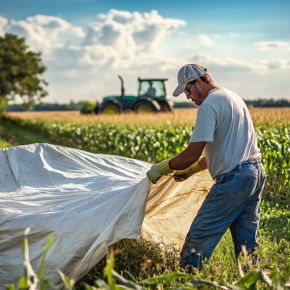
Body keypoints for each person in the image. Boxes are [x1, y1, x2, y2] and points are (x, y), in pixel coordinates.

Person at [146, 64, 266, 271]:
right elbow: (224, 150)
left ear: (201, 81)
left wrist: (161, 168)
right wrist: (191, 171)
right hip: (254, 174)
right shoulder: (233, 97)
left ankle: (187, 279)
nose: (187, 96)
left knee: (200, 235)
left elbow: (191, 154)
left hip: (235, 180)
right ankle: (253, 280)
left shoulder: (209, 105)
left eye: (188, 90)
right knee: (247, 242)